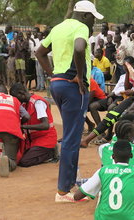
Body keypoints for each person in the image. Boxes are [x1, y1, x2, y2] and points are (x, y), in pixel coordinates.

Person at [35, 0, 103, 202]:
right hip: (74, 86)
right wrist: (80, 77)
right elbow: (80, 48)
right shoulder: (81, 27)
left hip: (58, 84)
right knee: (72, 139)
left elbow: (39, 52)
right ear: (84, 15)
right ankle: (63, 191)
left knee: (71, 135)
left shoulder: (58, 27)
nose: (92, 23)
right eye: (92, 18)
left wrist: (54, 75)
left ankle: (71, 182)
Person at [75, 139, 134, 220]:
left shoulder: (102, 171)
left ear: (113, 156)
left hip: (105, 218)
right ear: (131, 156)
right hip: (133, 217)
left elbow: (77, 196)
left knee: (101, 192)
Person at [9, 83, 58, 167]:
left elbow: (45, 125)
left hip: (45, 139)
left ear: (21, 93)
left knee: (24, 162)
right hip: (33, 140)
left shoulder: (37, 102)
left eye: (16, 98)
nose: (16, 101)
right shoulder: (24, 105)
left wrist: (23, 127)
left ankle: (51, 153)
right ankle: (45, 151)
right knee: (19, 158)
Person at [0, 84, 29, 177]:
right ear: (7, 93)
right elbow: (27, 116)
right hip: (12, 128)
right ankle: (8, 162)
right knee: (12, 158)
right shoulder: (14, 99)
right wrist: (18, 123)